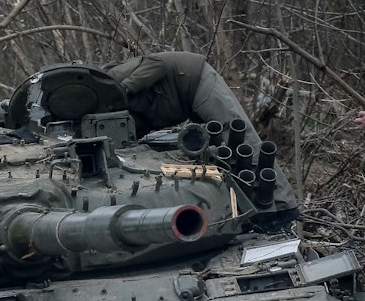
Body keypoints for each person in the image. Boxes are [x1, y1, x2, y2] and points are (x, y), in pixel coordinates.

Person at [104, 51, 298, 215]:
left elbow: (158, 63)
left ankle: (284, 206)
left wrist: (126, 87)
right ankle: (251, 211)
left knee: (243, 143)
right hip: (186, 105)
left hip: (197, 81)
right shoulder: (106, 114)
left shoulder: (111, 79)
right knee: (224, 158)